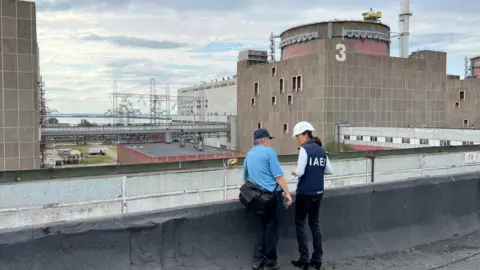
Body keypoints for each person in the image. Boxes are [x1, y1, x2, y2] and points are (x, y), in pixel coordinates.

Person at [243, 128, 293, 270]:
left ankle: (257, 260)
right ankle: (270, 261)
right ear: (265, 140)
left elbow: (245, 179)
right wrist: (287, 193)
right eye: (269, 140)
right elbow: (278, 176)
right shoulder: (269, 152)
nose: (270, 143)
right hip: (272, 198)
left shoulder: (249, 155)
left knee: (263, 228)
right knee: (273, 230)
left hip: (257, 200)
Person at [290, 121, 334, 270]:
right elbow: (329, 170)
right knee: (314, 224)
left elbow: (300, 172)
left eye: (298, 136)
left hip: (305, 193)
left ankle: (305, 258)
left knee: (300, 224)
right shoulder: (321, 149)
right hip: (319, 192)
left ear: (305, 134)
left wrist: (294, 171)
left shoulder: (304, 150)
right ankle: (317, 258)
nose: (297, 139)